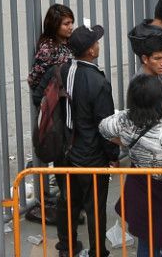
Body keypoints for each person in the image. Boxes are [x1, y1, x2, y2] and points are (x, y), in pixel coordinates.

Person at [98, 74, 162, 257]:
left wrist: (123, 142)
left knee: (147, 240)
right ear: (158, 102)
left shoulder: (125, 121)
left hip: (141, 188)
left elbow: (104, 128)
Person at [58, 23, 116, 257]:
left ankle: (67, 247)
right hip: (92, 156)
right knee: (95, 209)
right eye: (96, 42)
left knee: (68, 203)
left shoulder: (65, 70)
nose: (98, 45)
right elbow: (105, 126)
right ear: (90, 51)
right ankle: (98, 251)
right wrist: (112, 156)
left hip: (68, 150)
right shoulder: (98, 82)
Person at [27, 3, 76, 106]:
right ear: (55, 25)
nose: (71, 27)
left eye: (72, 22)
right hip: (56, 101)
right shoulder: (48, 49)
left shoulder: (71, 41)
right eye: (66, 24)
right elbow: (34, 78)